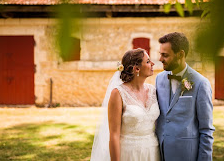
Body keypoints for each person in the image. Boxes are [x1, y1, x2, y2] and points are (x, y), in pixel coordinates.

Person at [91, 48, 160, 161]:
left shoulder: (153, 91)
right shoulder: (118, 93)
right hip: (128, 153)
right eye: (148, 62)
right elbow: (114, 135)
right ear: (136, 68)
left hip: (152, 151)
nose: (152, 64)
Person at [155, 32, 215, 161]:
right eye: (160, 54)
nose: (160, 59)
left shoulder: (201, 84)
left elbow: (206, 130)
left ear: (181, 54)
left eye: (165, 55)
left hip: (186, 155)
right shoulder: (159, 79)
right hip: (160, 154)